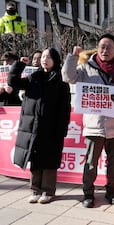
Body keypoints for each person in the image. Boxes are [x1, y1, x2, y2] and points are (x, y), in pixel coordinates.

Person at [62, 33, 114, 208]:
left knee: (113, 163)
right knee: (91, 161)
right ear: (97, 49)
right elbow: (68, 78)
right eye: (102, 47)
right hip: (94, 123)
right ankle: (88, 193)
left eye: (109, 47)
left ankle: (112, 191)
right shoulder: (86, 67)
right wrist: (73, 57)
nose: (105, 50)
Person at [7, 47, 71, 204]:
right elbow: (13, 82)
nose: (44, 59)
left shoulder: (61, 81)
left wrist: (62, 129)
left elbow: (64, 108)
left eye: (49, 57)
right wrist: (18, 65)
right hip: (32, 127)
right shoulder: (33, 78)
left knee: (49, 159)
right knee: (34, 159)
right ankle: (35, 189)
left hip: (51, 128)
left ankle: (48, 191)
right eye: (43, 56)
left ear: (55, 60)